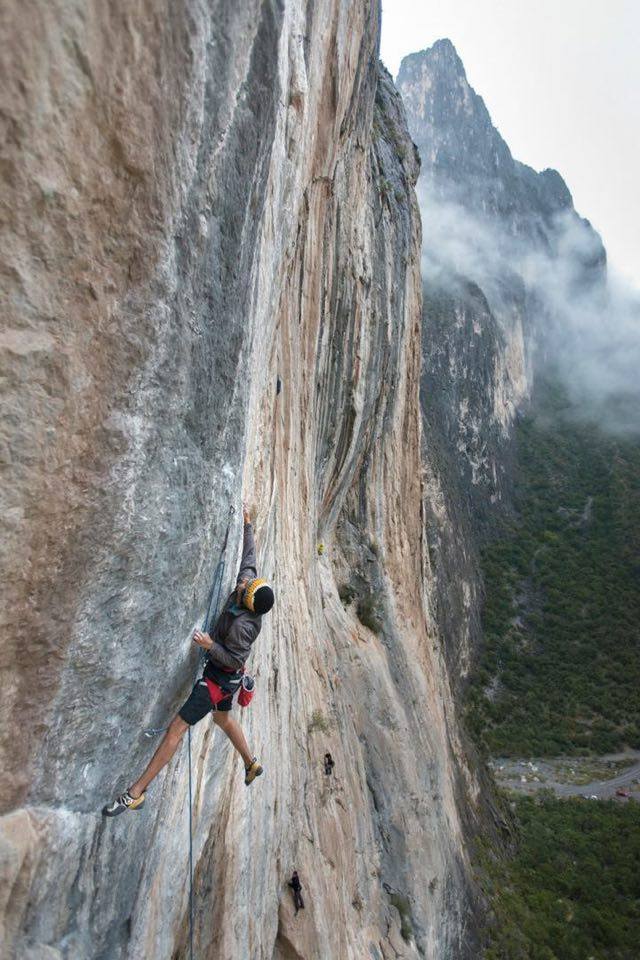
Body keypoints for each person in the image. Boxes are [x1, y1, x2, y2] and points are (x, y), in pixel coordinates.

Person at [103, 504, 274, 816]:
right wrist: (248, 523)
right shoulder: (249, 587)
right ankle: (251, 763)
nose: (240, 584)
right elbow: (249, 559)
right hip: (229, 681)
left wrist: (210, 645)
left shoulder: (243, 627)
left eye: (244, 588)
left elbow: (233, 659)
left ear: (248, 604)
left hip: (219, 680)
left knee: (177, 729)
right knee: (223, 720)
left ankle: (135, 793)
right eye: (244, 584)